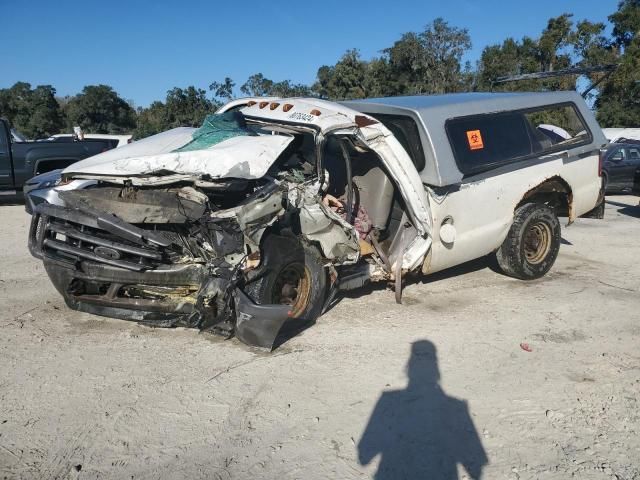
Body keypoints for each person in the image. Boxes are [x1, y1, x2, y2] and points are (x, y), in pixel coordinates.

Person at [358, 340, 488, 479]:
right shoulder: (457, 407)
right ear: (437, 368)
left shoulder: (388, 400)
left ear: (408, 368)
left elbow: (364, 457)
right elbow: (476, 468)